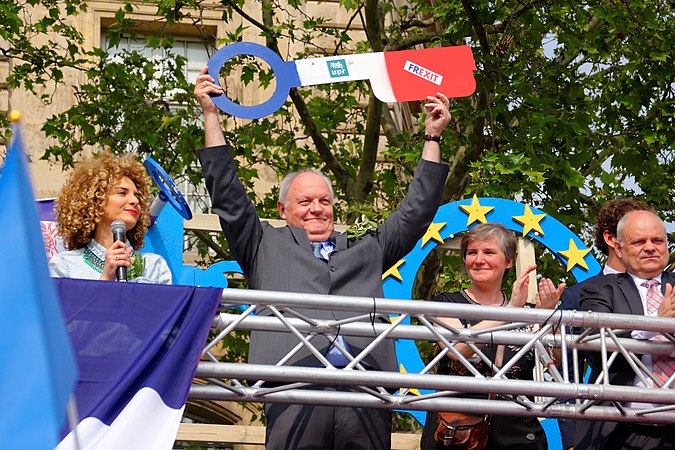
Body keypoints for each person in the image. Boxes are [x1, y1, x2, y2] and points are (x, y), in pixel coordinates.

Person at [194, 65, 451, 449]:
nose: (317, 208)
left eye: (324, 200)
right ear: (283, 210)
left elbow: (415, 211)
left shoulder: (369, 247)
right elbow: (227, 193)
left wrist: (432, 137)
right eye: (305, 201)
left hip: (366, 394)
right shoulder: (263, 244)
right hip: (292, 390)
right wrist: (211, 115)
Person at [420, 223, 564, 450]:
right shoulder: (445, 303)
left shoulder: (528, 311)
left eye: (488, 252)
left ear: (508, 261)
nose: (478, 260)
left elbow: (559, 362)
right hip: (458, 431)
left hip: (518, 433)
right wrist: (510, 312)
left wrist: (549, 321)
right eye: (471, 253)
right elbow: (458, 350)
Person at [557, 198, 651, 449]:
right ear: (612, 238)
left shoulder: (666, 286)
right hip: (606, 429)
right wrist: (571, 439)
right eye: (636, 235)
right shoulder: (578, 294)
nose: (647, 243)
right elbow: (567, 377)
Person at [577, 210, 675, 450]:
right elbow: (595, 343)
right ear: (619, 249)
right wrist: (655, 322)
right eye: (639, 241)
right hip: (625, 428)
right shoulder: (599, 290)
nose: (650, 247)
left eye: (657, 240)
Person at [48, 152, 172, 284]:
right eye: (122, 193)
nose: (135, 200)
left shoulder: (154, 267)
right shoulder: (64, 266)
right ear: (95, 200)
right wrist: (106, 279)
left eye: (137, 195)